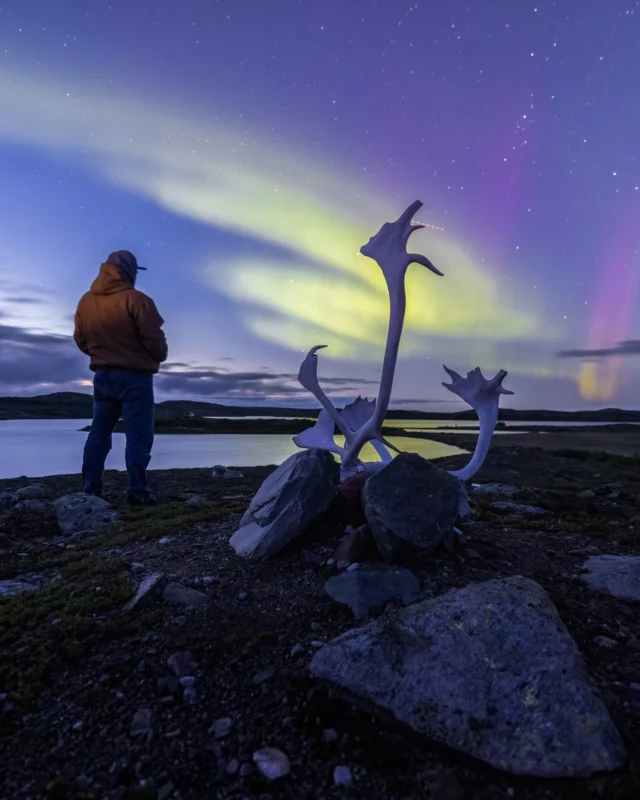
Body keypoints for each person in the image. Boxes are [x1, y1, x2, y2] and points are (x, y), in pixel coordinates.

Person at [73, 250, 168, 505]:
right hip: (136, 377)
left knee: (99, 432)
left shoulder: (86, 301)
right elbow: (154, 340)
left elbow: (80, 339)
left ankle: (91, 489)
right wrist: (156, 356)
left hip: (103, 375)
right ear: (128, 271)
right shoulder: (137, 300)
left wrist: (101, 354)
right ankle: (138, 492)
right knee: (138, 436)